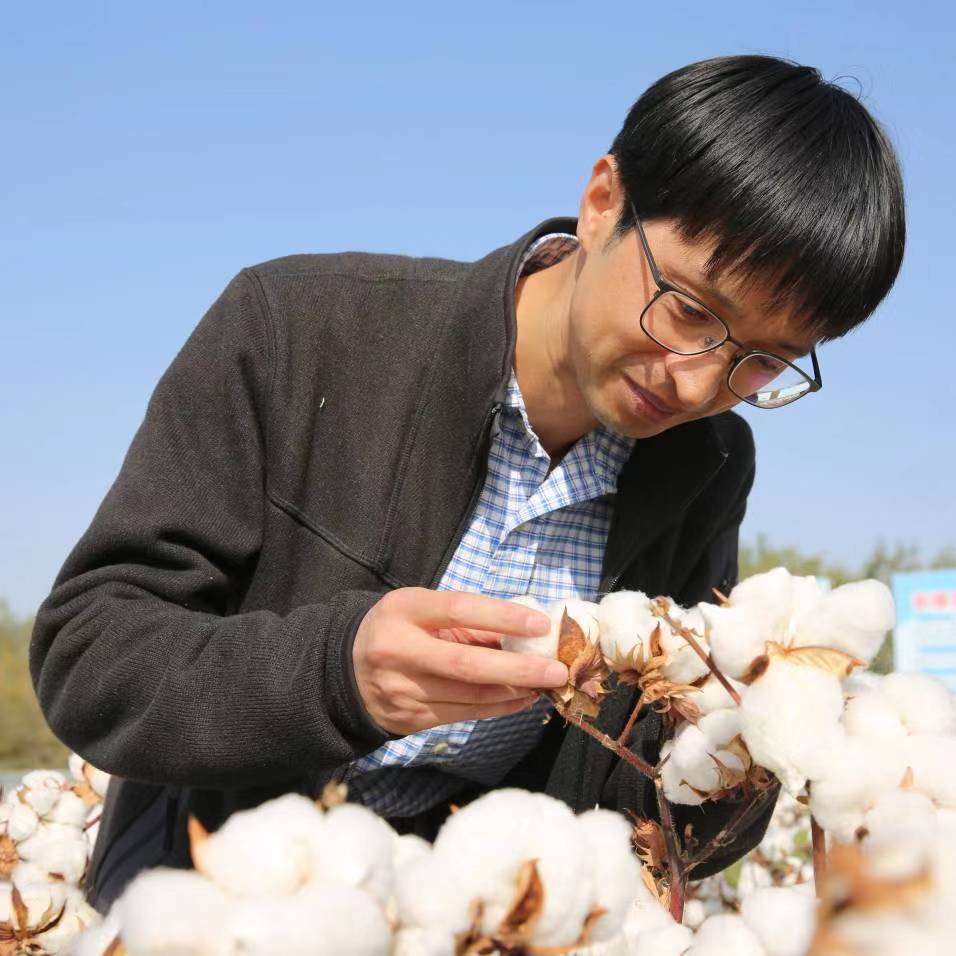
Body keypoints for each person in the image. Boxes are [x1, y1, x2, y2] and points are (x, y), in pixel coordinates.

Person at [30, 54, 904, 912]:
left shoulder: (705, 464)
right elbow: (91, 655)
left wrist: (750, 750)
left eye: (760, 362)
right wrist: (337, 679)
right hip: (216, 904)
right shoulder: (299, 331)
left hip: (484, 922)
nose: (693, 382)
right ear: (605, 200)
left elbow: (647, 804)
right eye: (685, 310)